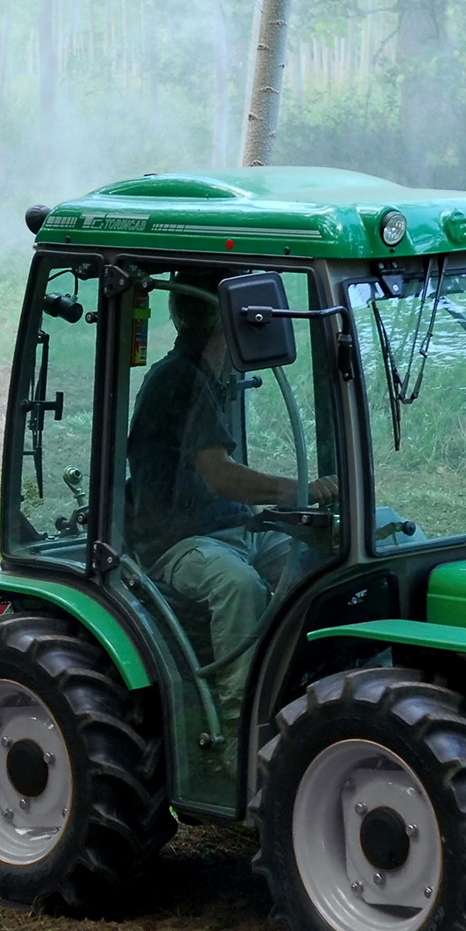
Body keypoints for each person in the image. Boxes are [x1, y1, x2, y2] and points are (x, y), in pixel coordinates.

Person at [126, 270, 335, 769]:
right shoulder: (176, 379)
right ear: (229, 315)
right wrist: (298, 488)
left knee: (319, 559)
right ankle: (240, 747)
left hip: (234, 529)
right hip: (176, 542)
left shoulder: (215, 377)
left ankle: (311, 703)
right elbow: (219, 476)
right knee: (238, 585)